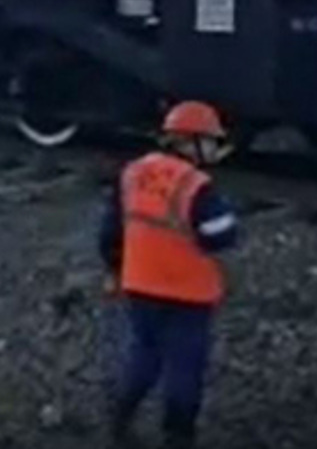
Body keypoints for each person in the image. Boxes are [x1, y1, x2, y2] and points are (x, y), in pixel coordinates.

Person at [99, 101, 240, 449]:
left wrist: (115, 270)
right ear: (190, 141)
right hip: (188, 295)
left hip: (140, 287)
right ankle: (178, 437)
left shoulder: (132, 174)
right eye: (209, 141)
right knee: (184, 367)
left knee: (143, 354)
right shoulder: (197, 185)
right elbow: (220, 235)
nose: (213, 149)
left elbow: (110, 232)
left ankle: (120, 422)